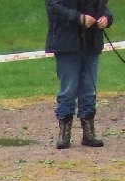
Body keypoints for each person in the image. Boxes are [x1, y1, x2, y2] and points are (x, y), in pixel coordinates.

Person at [45, 0, 113, 149]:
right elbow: (53, 7)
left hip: (91, 43)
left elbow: (104, 6)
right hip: (67, 43)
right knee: (68, 90)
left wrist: (106, 18)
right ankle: (64, 134)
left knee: (89, 89)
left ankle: (89, 134)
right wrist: (78, 18)